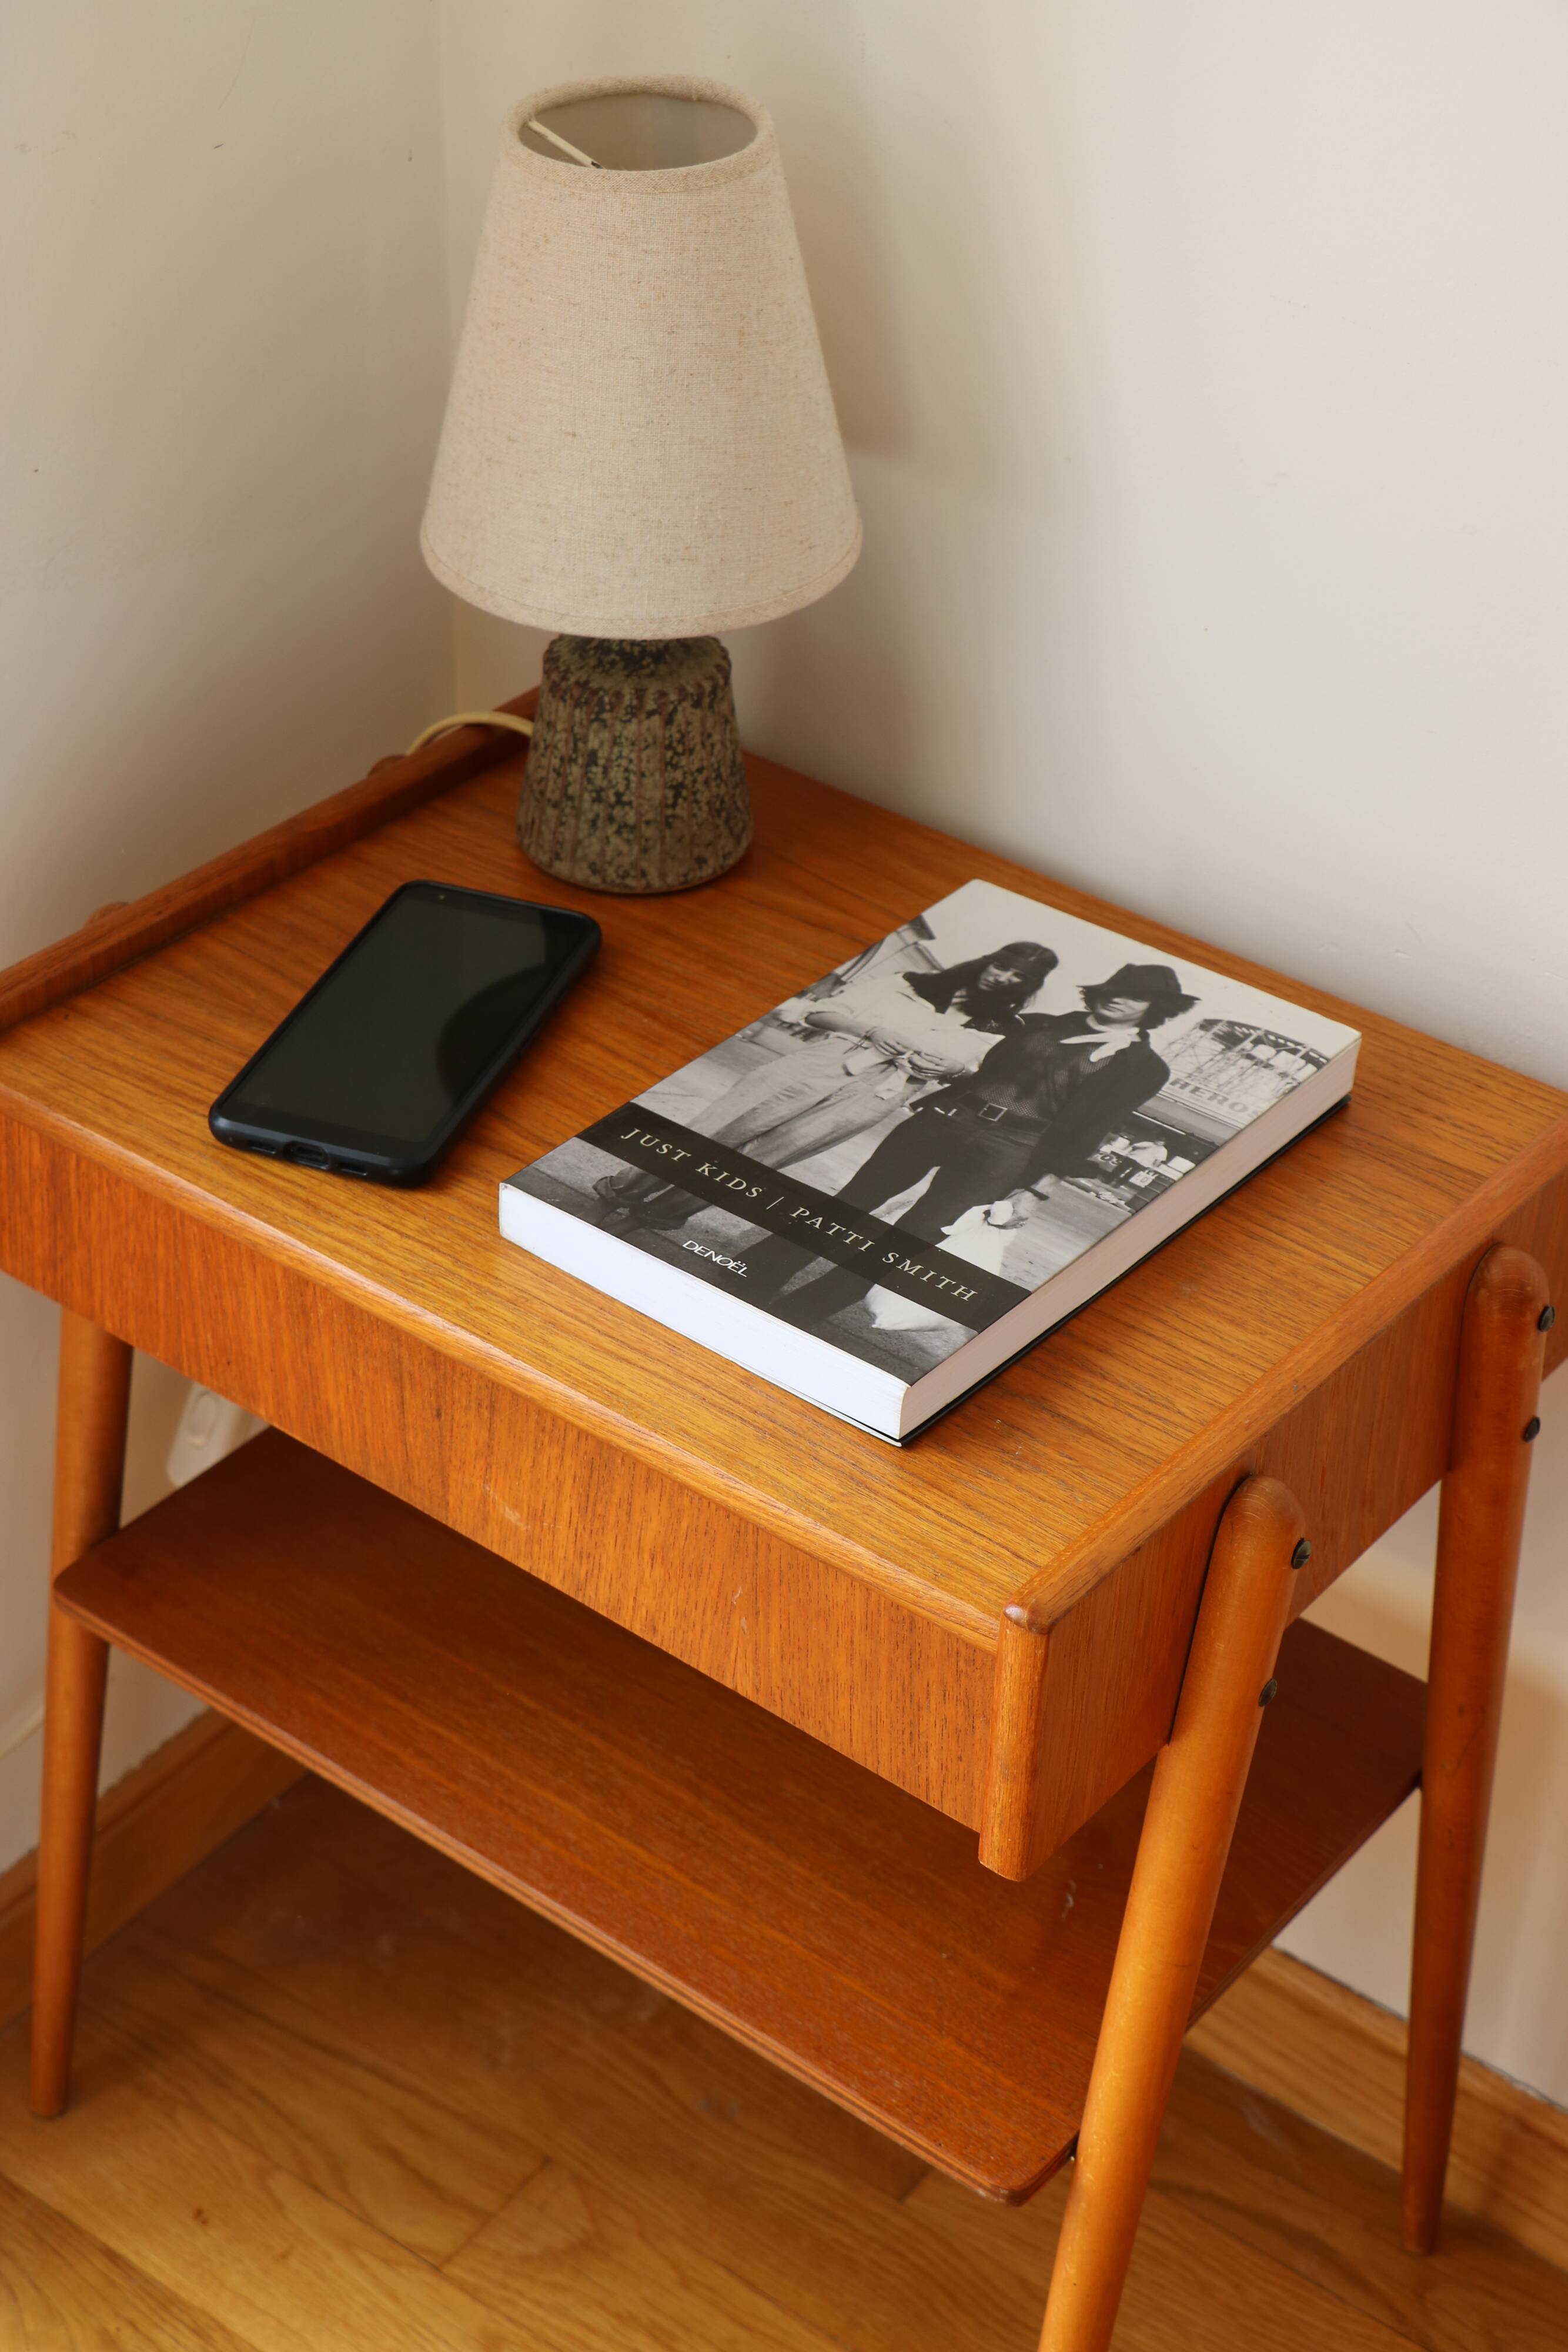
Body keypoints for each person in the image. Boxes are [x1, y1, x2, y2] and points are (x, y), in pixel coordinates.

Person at [744, 962, 1198, 1327]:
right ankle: (755, 1275)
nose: (1119, 997)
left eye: (1137, 995)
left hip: (1012, 1148)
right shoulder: (1037, 1023)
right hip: (949, 1119)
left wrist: (1037, 1190)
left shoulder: (1144, 1067)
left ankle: (802, 1313)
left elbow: (1091, 1128)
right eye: (1115, 986)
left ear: (1155, 1009)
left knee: (916, 1236)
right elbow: (979, 1065)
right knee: (853, 1202)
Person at [592, 941, 1058, 1225]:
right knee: (721, 1126)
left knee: (770, 1156)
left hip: (884, 1091)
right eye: (1003, 966)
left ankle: (669, 1211)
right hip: (828, 1060)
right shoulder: (907, 981)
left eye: (1018, 978)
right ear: (988, 960)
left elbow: (978, 1072)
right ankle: (628, 1188)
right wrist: (872, 1031)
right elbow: (815, 1013)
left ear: (1026, 987)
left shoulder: (1003, 1027)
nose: (1005, 979)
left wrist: (950, 1069)